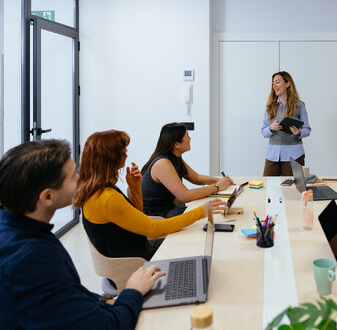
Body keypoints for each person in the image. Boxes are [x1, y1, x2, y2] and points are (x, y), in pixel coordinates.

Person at [0, 139, 166, 329]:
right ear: (47, 197)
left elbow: (66, 292)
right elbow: (109, 326)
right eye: (73, 176)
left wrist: (103, 302)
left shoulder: (16, 227)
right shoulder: (32, 259)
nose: (80, 178)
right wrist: (133, 290)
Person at [73, 130, 225, 263]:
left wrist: (135, 187)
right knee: (195, 241)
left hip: (136, 249)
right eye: (122, 150)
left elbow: (137, 215)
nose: (126, 153)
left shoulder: (97, 190)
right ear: (111, 158)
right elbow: (152, 229)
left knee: (194, 236)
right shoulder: (107, 197)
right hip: (134, 262)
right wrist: (200, 212)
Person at [141, 122, 234, 218]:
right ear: (177, 144)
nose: (190, 139)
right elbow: (185, 196)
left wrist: (217, 180)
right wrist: (217, 186)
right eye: (187, 136)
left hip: (169, 210)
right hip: (157, 217)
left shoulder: (175, 157)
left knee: (214, 212)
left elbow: (196, 178)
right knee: (212, 214)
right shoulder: (162, 163)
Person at [261, 71, 311, 176]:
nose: (274, 85)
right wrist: (271, 128)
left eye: (277, 82)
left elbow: (307, 129)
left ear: (287, 84)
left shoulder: (299, 105)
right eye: (273, 83)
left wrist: (299, 132)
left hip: (294, 154)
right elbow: (263, 131)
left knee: (292, 190)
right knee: (269, 187)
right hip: (273, 154)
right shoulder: (269, 106)